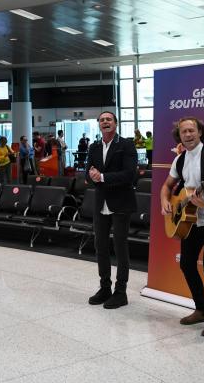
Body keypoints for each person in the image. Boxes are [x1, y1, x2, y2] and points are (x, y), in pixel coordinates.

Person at [160, 117, 204, 337]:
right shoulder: (180, 159)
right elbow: (167, 186)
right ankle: (201, 310)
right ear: (179, 136)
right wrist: (164, 201)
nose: (188, 134)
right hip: (191, 221)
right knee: (187, 264)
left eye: (192, 130)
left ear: (200, 132)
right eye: (184, 131)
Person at [86, 111, 137, 309]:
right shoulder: (94, 147)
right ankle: (105, 287)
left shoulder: (126, 145)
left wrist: (102, 177)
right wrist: (92, 175)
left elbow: (129, 174)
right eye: (102, 120)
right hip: (101, 202)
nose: (105, 122)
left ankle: (121, 292)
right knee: (100, 246)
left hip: (121, 202)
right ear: (99, 124)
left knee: (120, 247)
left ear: (116, 123)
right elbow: (89, 171)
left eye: (109, 119)